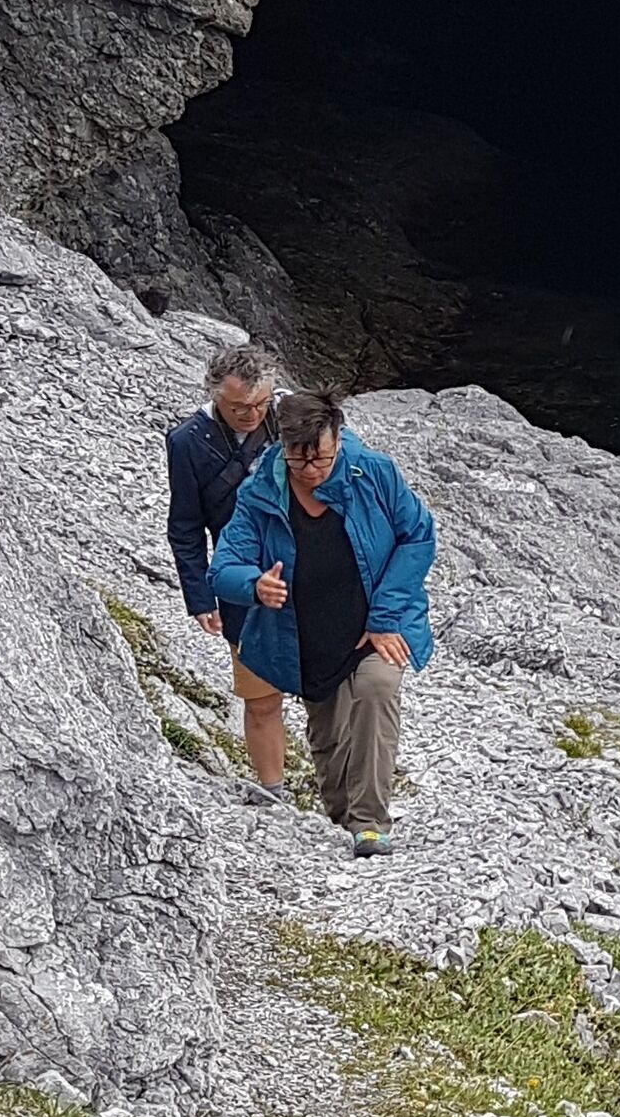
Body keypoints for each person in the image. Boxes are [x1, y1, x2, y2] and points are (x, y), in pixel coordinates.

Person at [211, 389, 437, 854]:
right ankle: (341, 816)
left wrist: (386, 617)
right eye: (299, 462)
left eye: (322, 459)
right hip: (306, 637)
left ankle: (371, 822)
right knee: (329, 737)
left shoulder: (372, 472)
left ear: (338, 436)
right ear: (281, 446)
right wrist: (254, 585)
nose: (312, 471)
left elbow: (418, 536)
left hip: (376, 627)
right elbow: (225, 564)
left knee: (377, 690)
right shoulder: (259, 494)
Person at [165, 341, 290, 792]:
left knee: (332, 692)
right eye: (240, 407)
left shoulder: (295, 420)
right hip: (237, 580)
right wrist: (199, 596)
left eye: (261, 404)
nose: (252, 415)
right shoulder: (186, 442)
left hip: (305, 570)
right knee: (260, 696)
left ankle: (348, 791)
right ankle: (272, 790)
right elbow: (185, 526)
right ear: (216, 394)